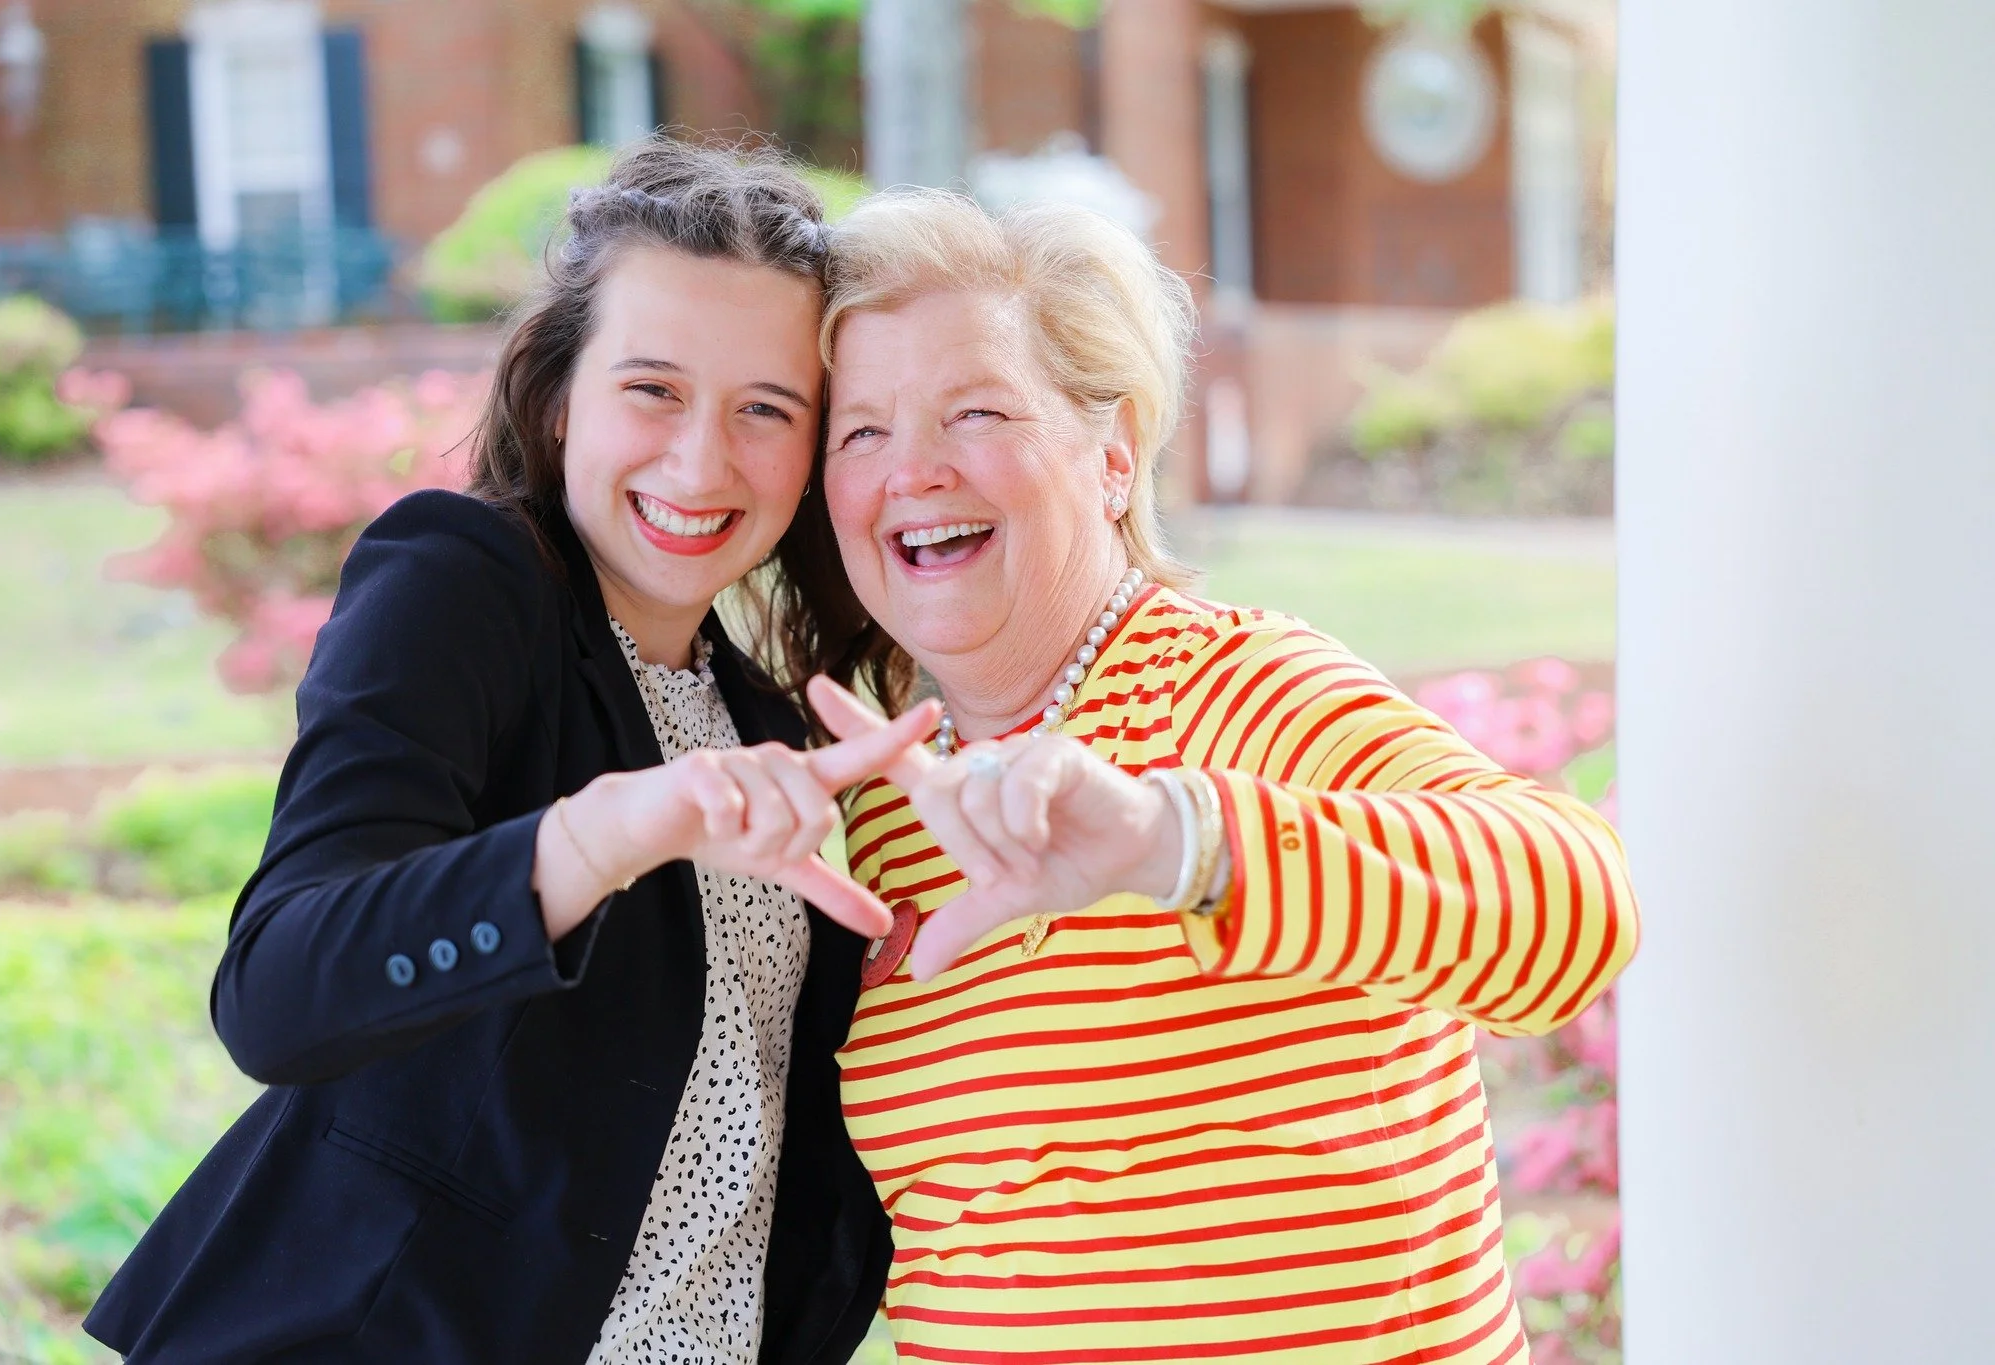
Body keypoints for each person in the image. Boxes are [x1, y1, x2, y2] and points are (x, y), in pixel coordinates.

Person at [84, 140, 935, 1365]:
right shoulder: (464, 583)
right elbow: (278, 994)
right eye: (652, 390)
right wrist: (600, 837)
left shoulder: (771, 727)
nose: (702, 462)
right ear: (556, 400)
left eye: (765, 409)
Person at [801, 190, 1641, 1364]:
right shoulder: (888, 804)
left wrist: (1177, 843)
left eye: (975, 410)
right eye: (861, 432)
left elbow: (1580, 908)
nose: (913, 471)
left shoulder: (1240, 688)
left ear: (1110, 454)